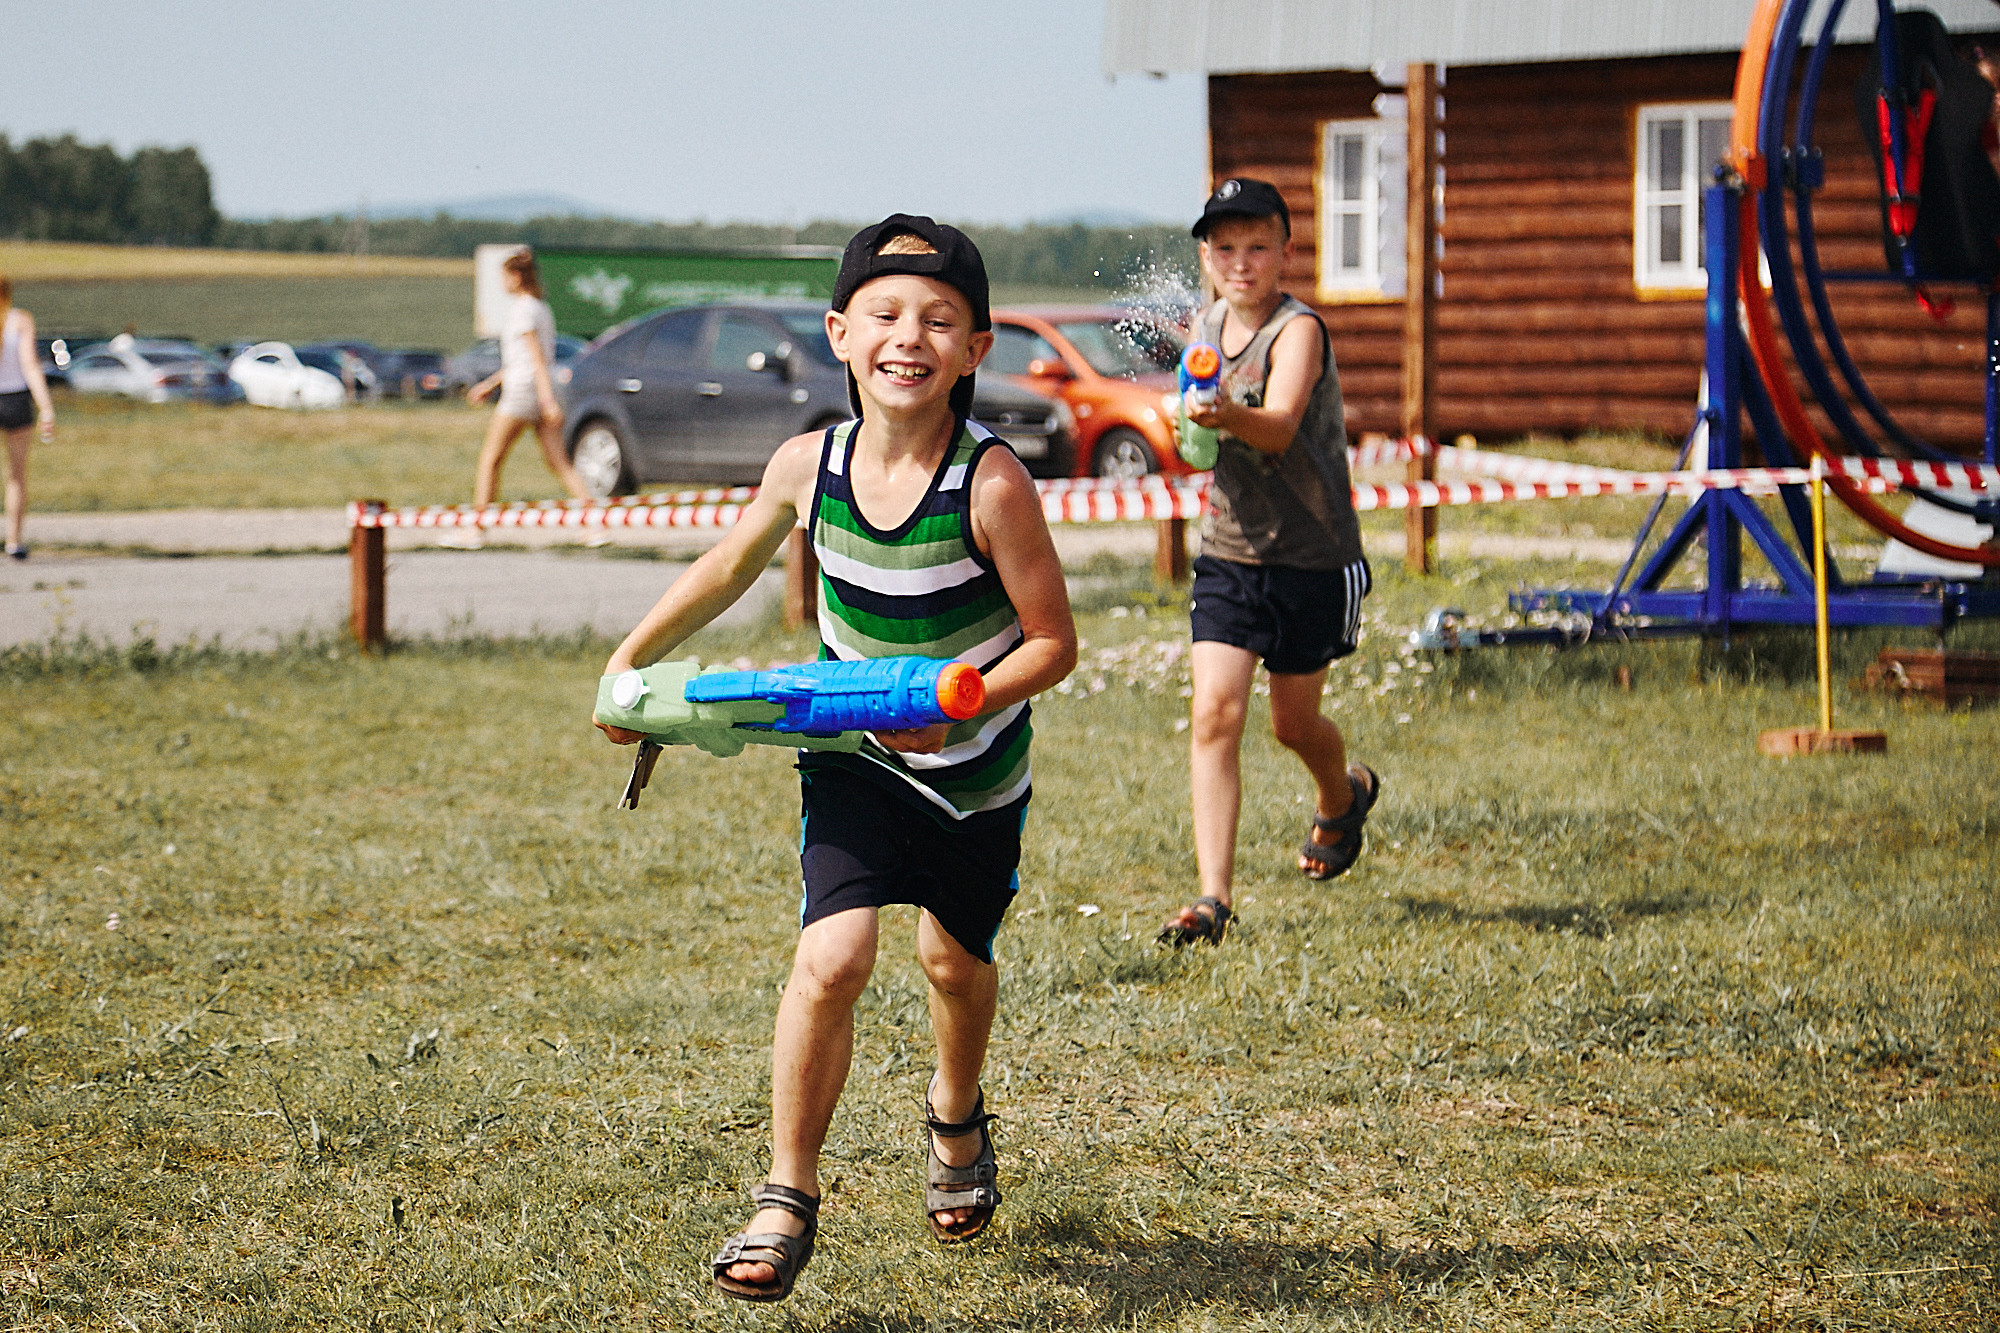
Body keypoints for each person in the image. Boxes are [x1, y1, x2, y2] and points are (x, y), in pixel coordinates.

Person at [597, 215, 1076, 1303]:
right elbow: (726, 567)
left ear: (973, 349)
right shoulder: (805, 464)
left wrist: (965, 704)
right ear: (840, 335)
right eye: (886, 314)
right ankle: (785, 1194)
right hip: (851, 750)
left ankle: (955, 1113)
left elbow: (1053, 641)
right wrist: (630, 660)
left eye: (938, 320)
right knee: (834, 957)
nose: (909, 336)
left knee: (952, 964)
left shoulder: (990, 482)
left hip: (973, 769)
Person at [1158, 179, 1378, 948]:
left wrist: (1223, 416)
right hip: (1228, 551)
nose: (1241, 262)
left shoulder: (1298, 331)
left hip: (1312, 555)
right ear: (1206, 256)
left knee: (1293, 723)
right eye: (1225, 248)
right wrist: (1188, 425)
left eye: (1257, 247)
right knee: (1215, 713)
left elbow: (1280, 427)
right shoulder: (1207, 326)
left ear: (1287, 249)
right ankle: (1213, 898)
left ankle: (1341, 794)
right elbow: (1202, 436)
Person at [447, 249, 590, 547]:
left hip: (525, 392)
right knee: (559, 462)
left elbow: (535, 359)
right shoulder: (540, 308)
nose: (501, 284)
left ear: (515, 277)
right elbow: (525, 360)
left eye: (503, 277)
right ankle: (594, 522)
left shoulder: (523, 311)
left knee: (490, 459)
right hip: (538, 387)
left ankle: (476, 529)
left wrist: (546, 401)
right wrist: (490, 383)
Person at [0, 274, 57, 560]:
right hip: (15, 400)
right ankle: (14, 541)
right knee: (17, 476)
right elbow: (31, 366)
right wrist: (46, 407)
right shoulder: (19, 320)